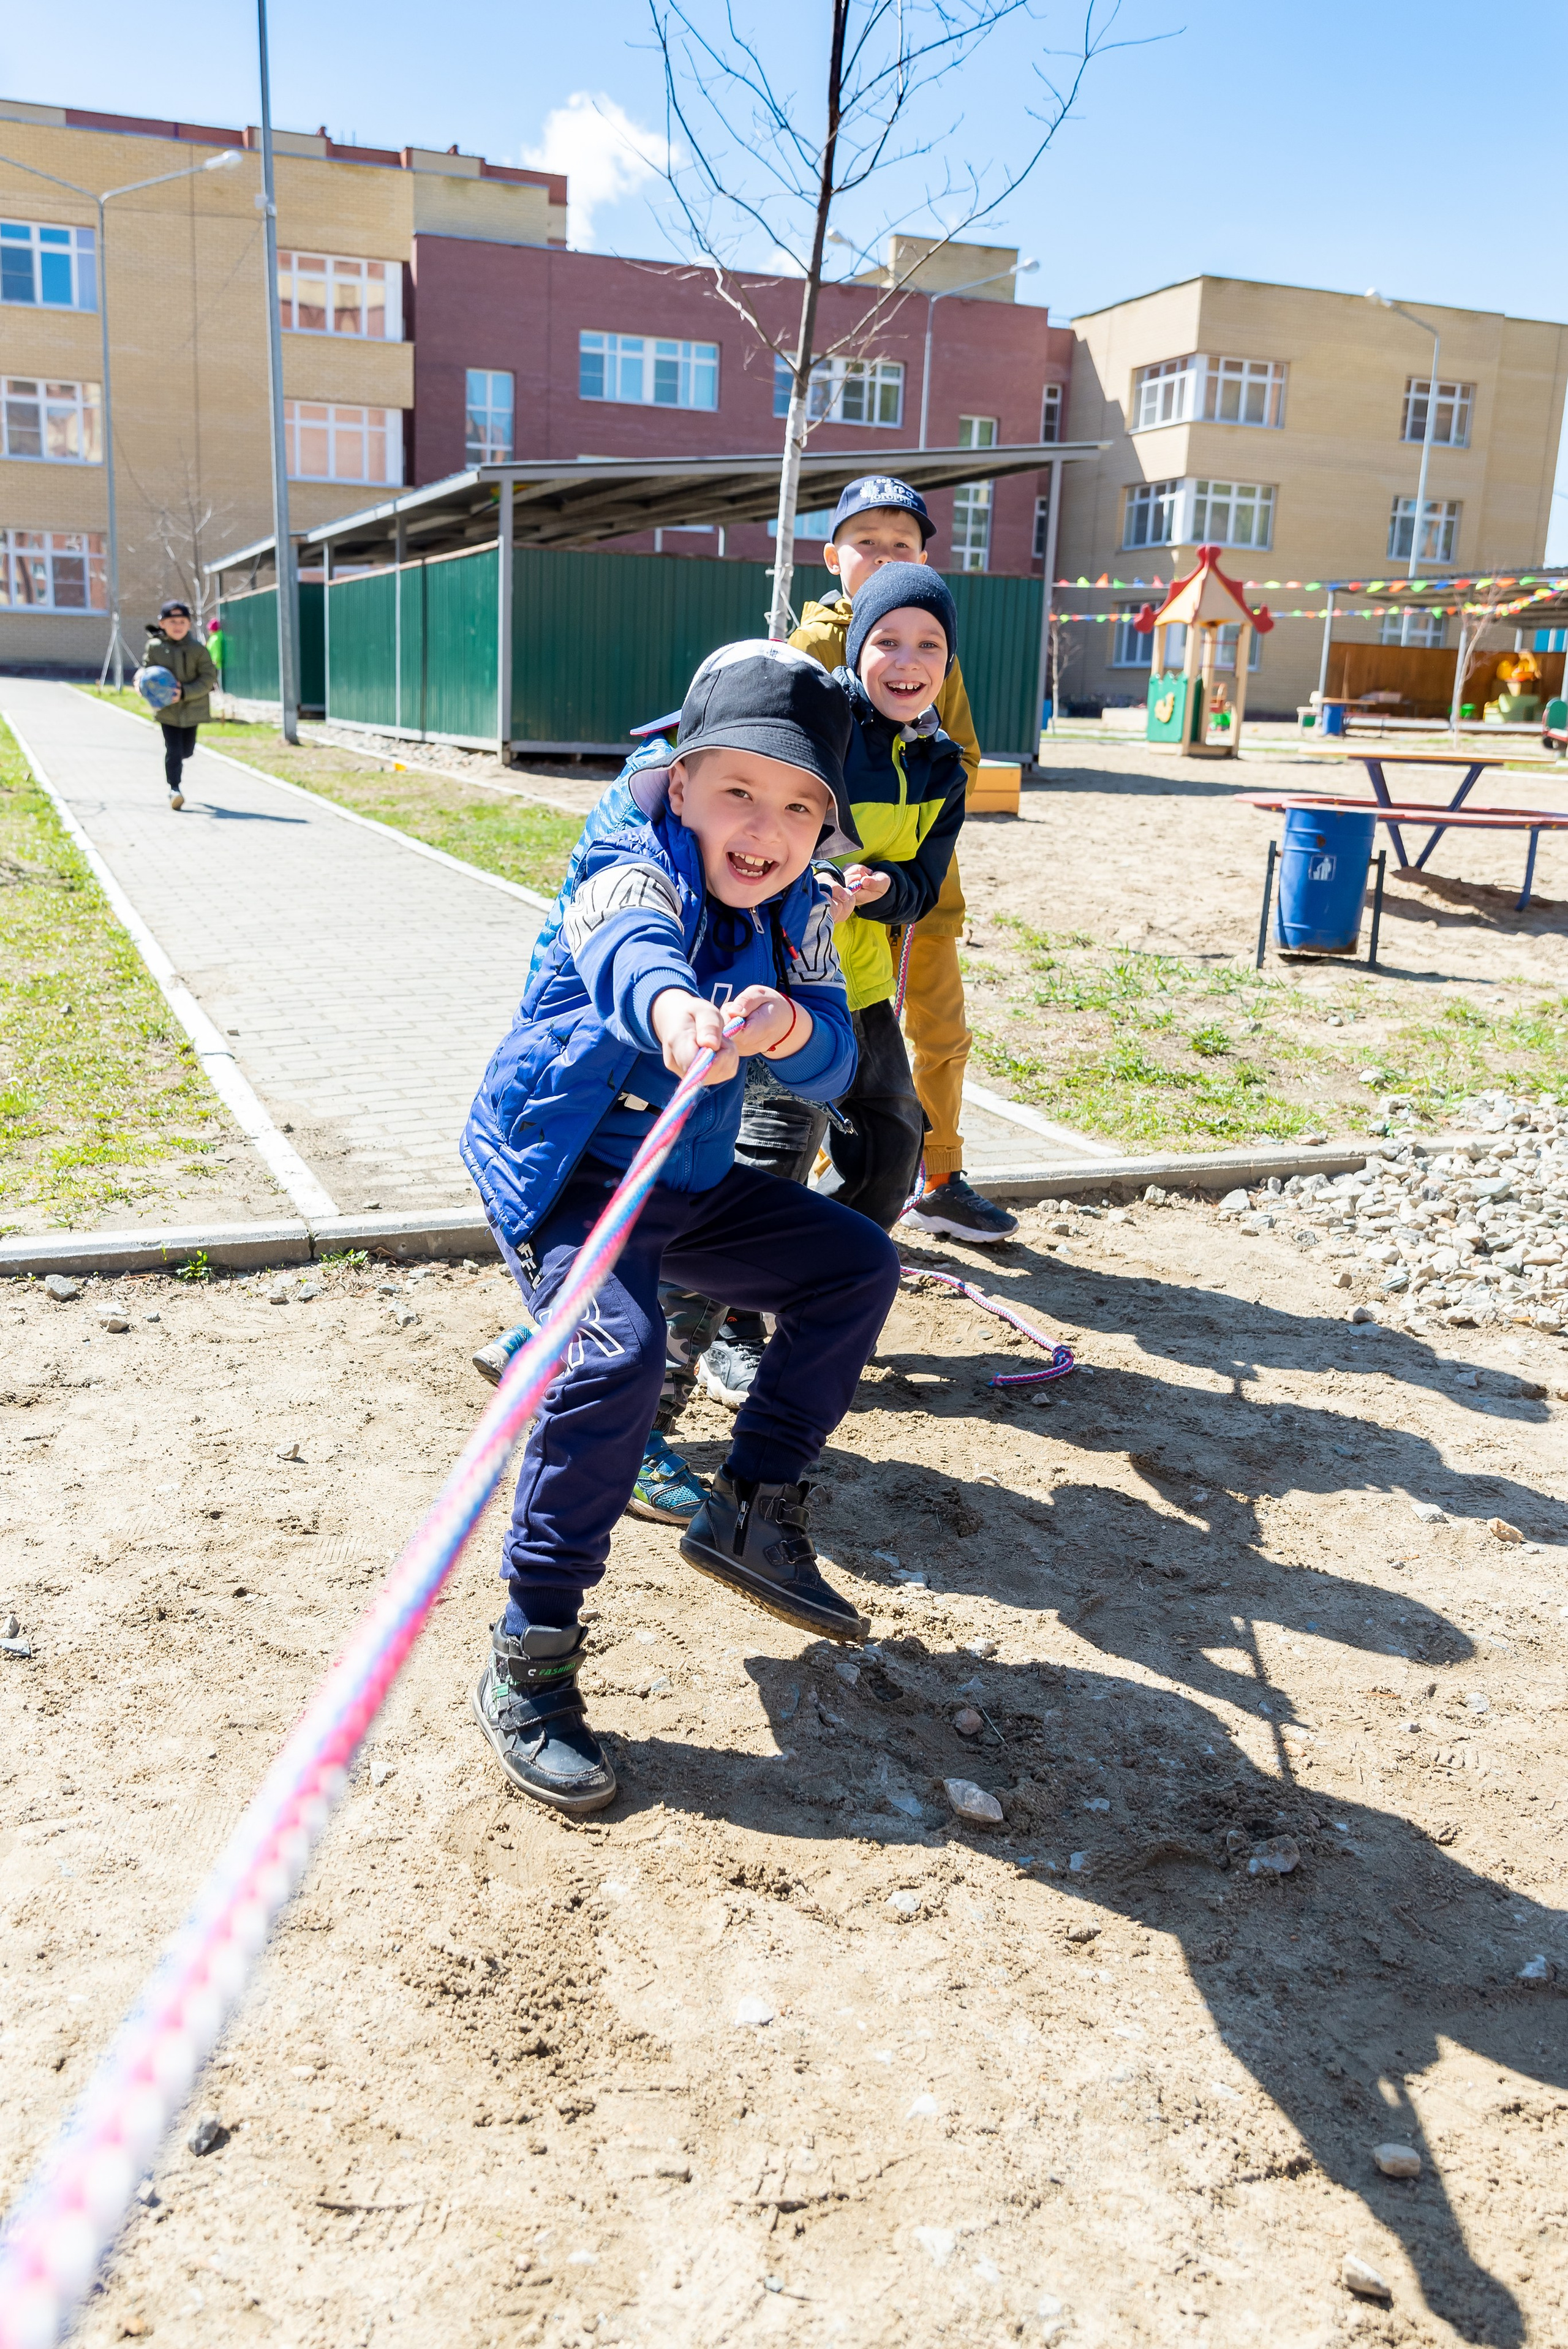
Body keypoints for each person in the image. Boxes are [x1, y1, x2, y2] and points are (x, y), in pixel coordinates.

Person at [460, 641, 902, 1814]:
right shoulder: (623, 856)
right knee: (615, 1354)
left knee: (854, 1265)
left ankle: (750, 1506)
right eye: (742, 792)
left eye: (804, 805)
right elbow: (626, 951)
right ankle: (530, 1652)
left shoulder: (801, 905)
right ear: (684, 777)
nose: (769, 826)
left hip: (690, 1186)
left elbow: (836, 1053)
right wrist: (673, 1012)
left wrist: (782, 1032)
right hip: (568, 1182)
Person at [692, 558, 969, 1411]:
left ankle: (807, 1289)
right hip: (780, 984)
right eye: (886, 639)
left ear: (948, 663)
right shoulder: (820, 725)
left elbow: (927, 877)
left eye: (928, 644)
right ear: (858, 647)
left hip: (863, 986)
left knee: (891, 1152)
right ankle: (728, 1328)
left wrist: (890, 889)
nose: (906, 659)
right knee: (770, 1157)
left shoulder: (942, 763)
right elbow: (753, 828)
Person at [789, 475, 1019, 1246]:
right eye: (867, 543)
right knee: (830, 1035)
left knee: (938, 1031)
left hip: (915, 880)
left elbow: (960, 751)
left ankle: (940, 1174)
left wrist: (901, 872)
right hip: (827, 881)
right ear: (831, 557)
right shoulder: (816, 645)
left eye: (902, 544)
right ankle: (821, 1171)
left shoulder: (929, 637)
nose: (883, 557)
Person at [143, 600, 218, 812]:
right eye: (172, 621)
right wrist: (141, 681)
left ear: (189, 624)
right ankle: (174, 789)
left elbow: (208, 678)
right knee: (174, 750)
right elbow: (147, 669)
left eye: (182, 621)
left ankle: (178, 773)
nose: (177, 625)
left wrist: (184, 692)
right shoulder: (155, 648)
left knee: (187, 751)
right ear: (163, 623)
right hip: (167, 711)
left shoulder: (198, 650)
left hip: (192, 710)